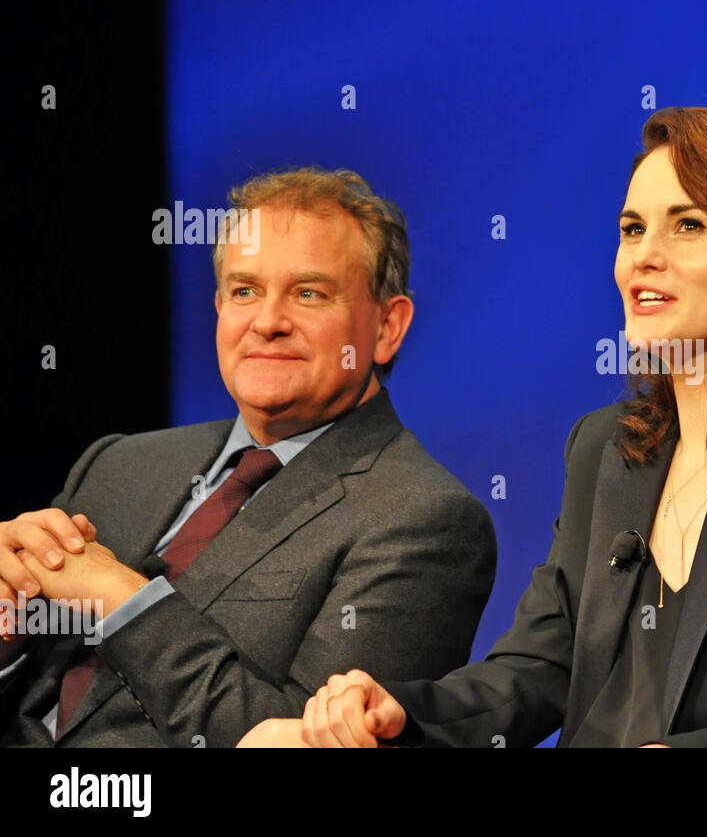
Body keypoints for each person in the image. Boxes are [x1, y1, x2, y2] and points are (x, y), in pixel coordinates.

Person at [239, 106, 707, 748]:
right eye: (632, 229)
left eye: (686, 225)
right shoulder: (605, 448)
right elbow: (538, 668)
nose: (643, 257)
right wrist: (398, 713)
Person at [0, 167, 496, 747]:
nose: (267, 322)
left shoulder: (424, 520)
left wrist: (120, 596)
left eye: (309, 293)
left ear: (387, 326)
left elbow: (295, 741)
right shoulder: (116, 466)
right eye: (244, 291)